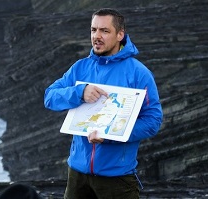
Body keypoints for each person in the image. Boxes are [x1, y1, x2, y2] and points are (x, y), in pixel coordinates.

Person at [44, 8, 163, 199]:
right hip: (77, 175)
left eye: (104, 31)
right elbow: (49, 97)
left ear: (120, 35)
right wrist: (79, 92)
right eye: (93, 30)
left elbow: (153, 121)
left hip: (117, 178)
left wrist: (110, 135)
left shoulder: (139, 74)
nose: (97, 36)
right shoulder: (80, 68)